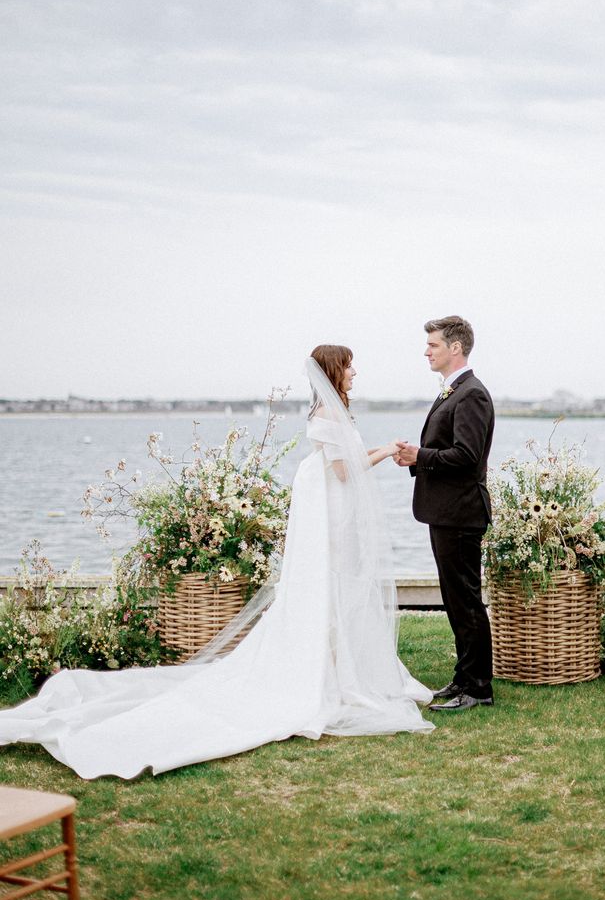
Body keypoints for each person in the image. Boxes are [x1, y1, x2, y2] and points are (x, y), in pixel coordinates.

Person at [0, 346, 433, 779]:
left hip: (335, 512)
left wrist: (380, 448)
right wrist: (383, 454)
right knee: (332, 586)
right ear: (335, 370)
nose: (356, 371)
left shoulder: (333, 412)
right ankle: (332, 674)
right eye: (351, 365)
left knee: (340, 589)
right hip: (333, 515)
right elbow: (343, 470)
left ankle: (341, 667)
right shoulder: (325, 417)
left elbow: (342, 460)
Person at [395, 317, 495, 712]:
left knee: (466, 601)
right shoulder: (453, 391)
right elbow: (447, 450)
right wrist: (416, 460)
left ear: (455, 347)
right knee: (455, 600)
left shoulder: (471, 394)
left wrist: (420, 456)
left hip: (461, 513)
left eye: (433, 344)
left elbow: (467, 457)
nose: (427, 351)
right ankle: (463, 678)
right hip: (447, 511)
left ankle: (479, 687)